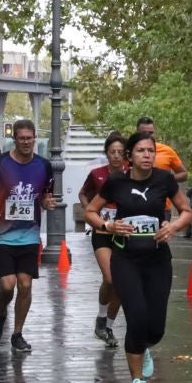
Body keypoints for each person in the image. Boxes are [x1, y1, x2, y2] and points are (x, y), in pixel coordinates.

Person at [86, 134, 192, 383]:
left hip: (158, 260)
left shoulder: (164, 180)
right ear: (129, 157)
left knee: (155, 328)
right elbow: (90, 211)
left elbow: (186, 211)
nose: (147, 155)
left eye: (151, 151)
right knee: (136, 319)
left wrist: (173, 226)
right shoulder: (116, 181)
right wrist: (108, 226)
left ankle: (144, 346)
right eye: (141, 151)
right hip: (125, 260)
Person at [0, 119, 58, 352]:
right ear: (15, 140)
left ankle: (17, 333)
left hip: (30, 235)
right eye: (21, 138)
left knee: (25, 284)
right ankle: (1, 312)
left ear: (35, 138)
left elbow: (45, 195)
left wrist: (46, 203)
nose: (26, 142)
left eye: (29, 138)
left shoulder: (44, 165)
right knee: (7, 285)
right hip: (3, 234)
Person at [79, 134, 130, 344]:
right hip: (102, 232)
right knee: (110, 279)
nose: (116, 156)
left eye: (120, 152)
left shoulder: (131, 174)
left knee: (120, 284)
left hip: (124, 233)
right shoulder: (97, 174)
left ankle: (108, 327)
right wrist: (90, 211)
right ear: (106, 154)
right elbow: (83, 194)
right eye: (112, 152)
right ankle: (101, 317)